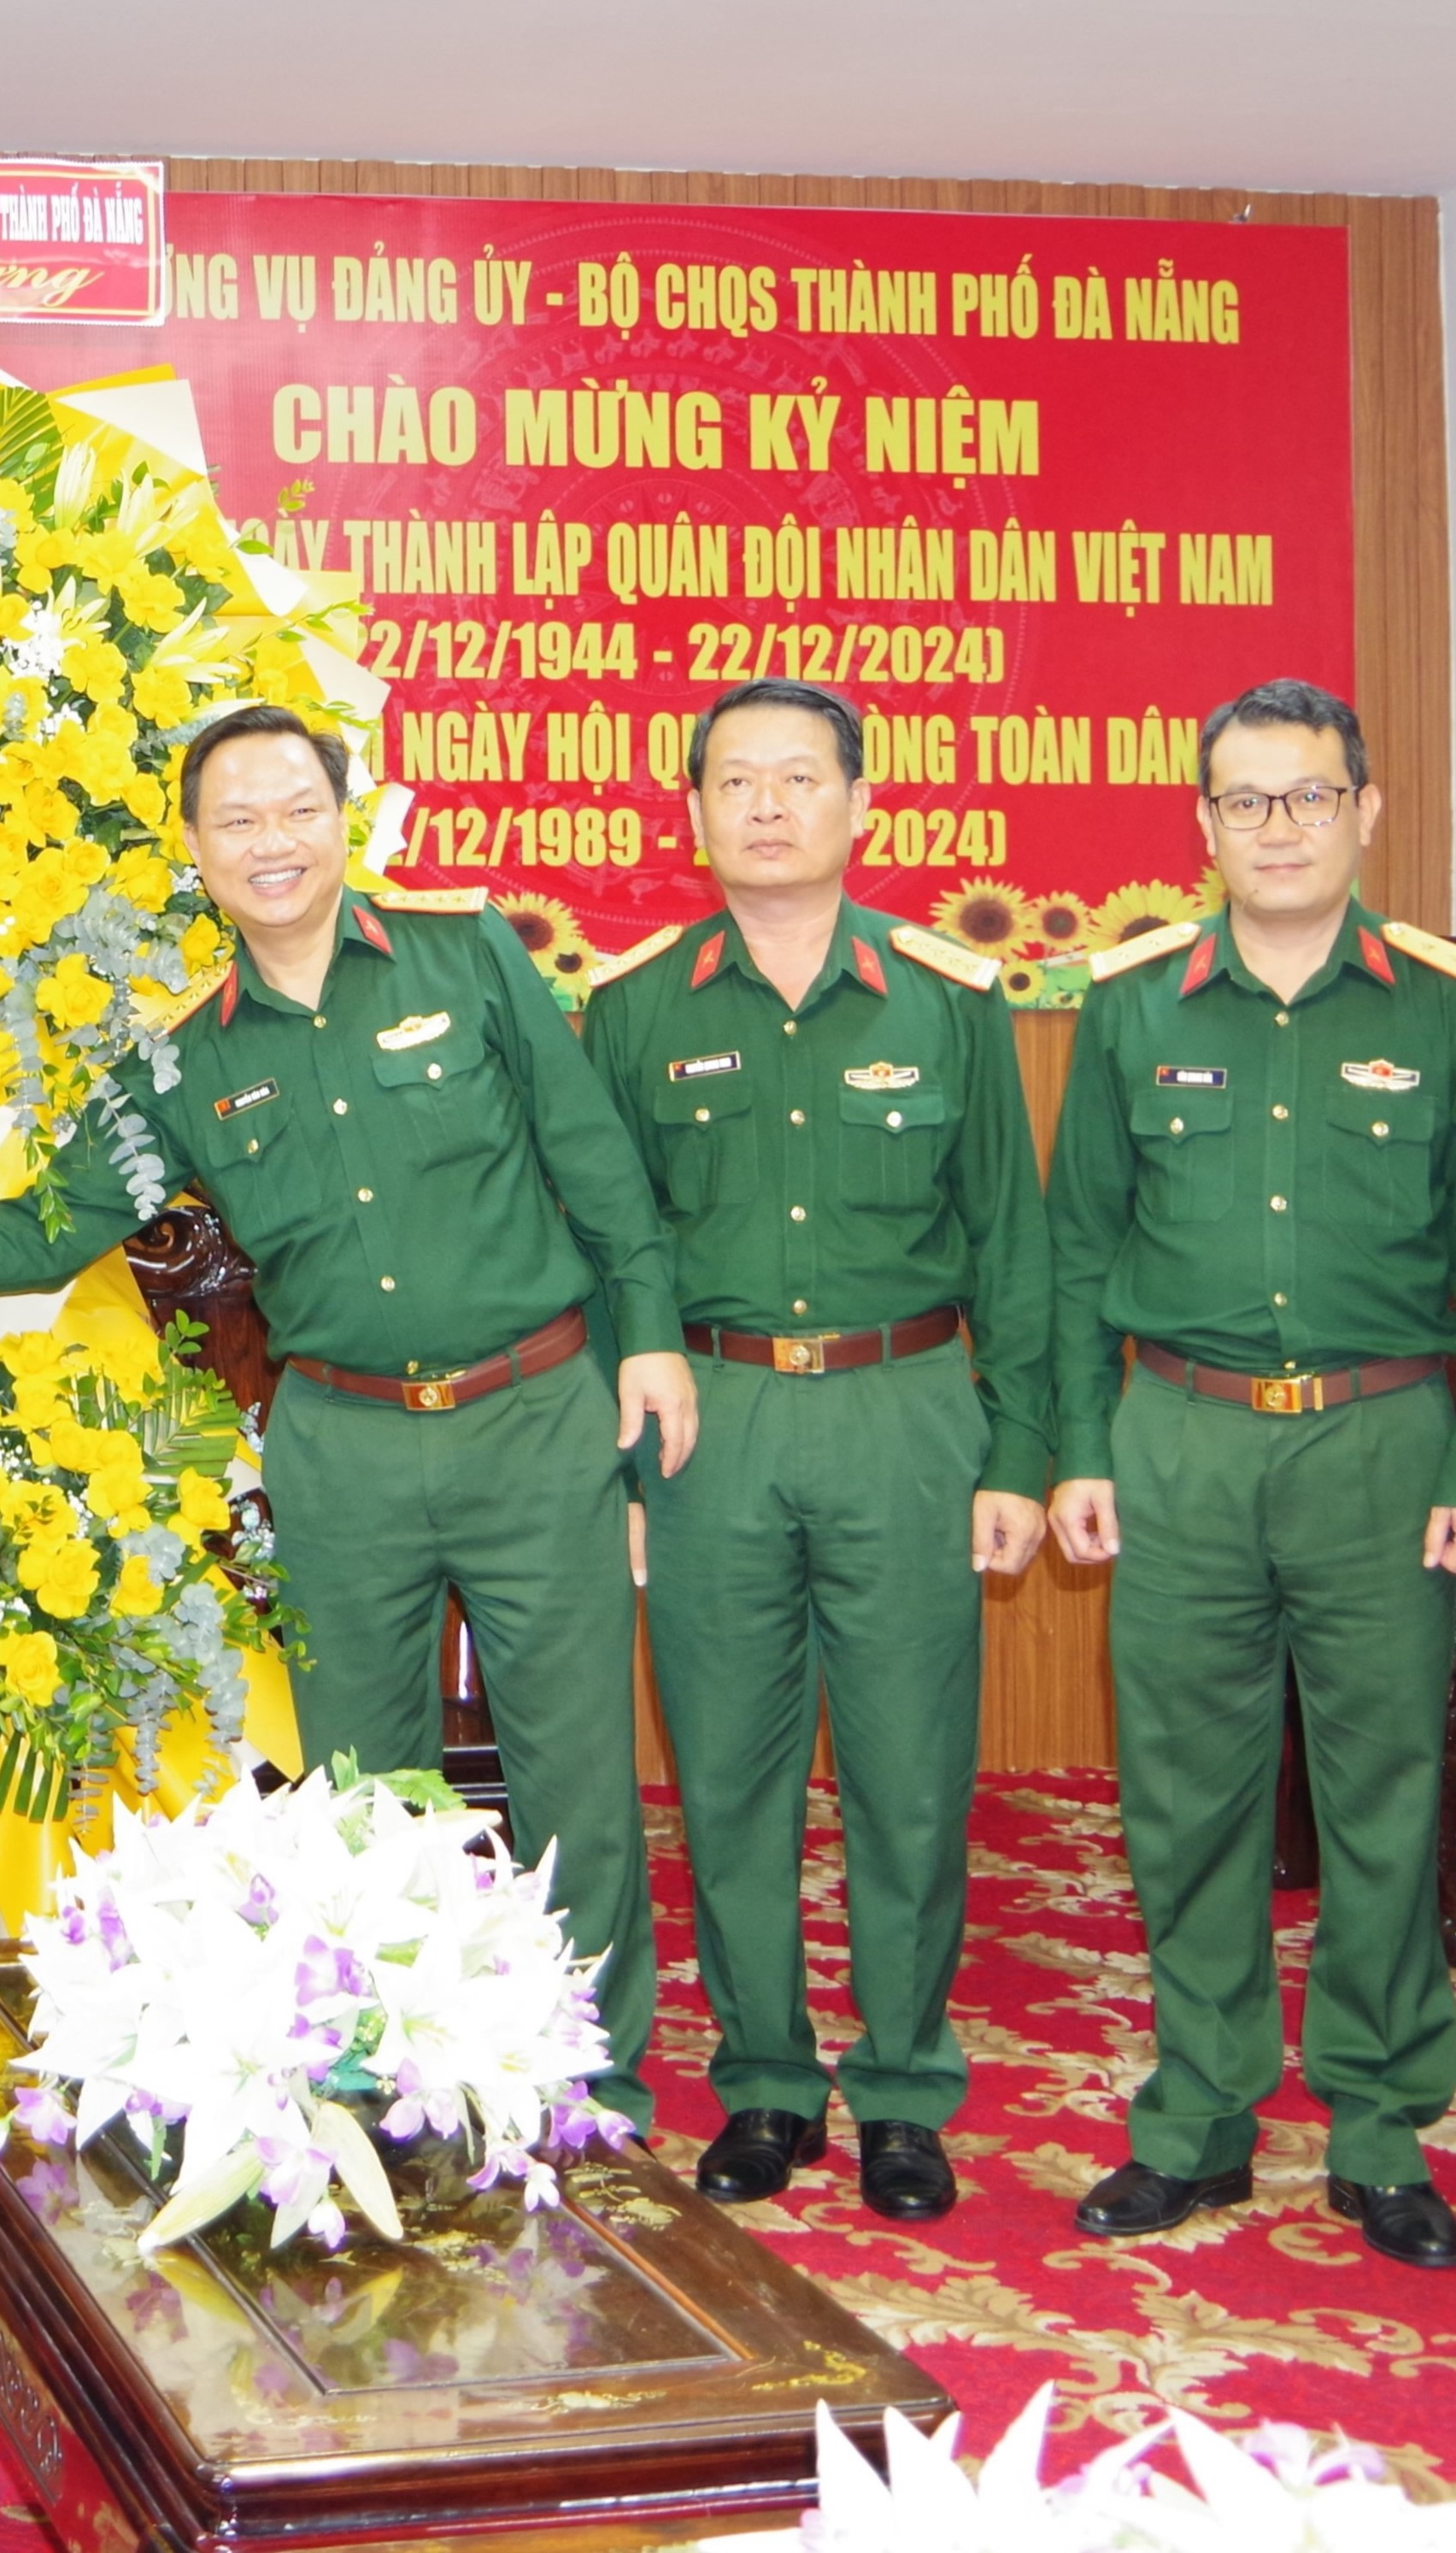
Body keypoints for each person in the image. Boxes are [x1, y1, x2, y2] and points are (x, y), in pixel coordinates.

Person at [0, 702, 697, 2121]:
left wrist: (650, 1338)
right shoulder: (176, 1063)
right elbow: (52, 1227)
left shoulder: (465, 952)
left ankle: (585, 2085)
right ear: (193, 851)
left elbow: (593, 1161)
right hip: (339, 1444)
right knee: (362, 1799)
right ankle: (397, 2075)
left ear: (343, 816)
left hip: (533, 1416)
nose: (269, 842)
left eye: (295, 808)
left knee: (574, 1781)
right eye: (234, 820)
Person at [1044, 679, 1456, 2270]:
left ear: (1363, 810)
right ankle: (1195, 2114)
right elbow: (1074, 1257)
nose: (1277, 828)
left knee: (1382, 1788)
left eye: (1307, 797)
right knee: (1184, 1795)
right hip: (1179, 1438)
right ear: (1201, 826)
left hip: (1380, 1442)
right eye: (1245, 802)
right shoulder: (1133, 1004)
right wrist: (1075, 1446)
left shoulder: (1449, 1007)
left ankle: (1381, 2121)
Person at [581, 677, 1048, 2221]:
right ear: (694, 812)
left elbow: (1012, 1247)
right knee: (727, 1773)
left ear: (863, 809)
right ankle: (769, 2083)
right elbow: (605, 1242)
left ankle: (906, 2088)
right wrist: (622, 1465)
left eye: (799, 778)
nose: (767, 804)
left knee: (911, 1776)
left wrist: (1018, 1455)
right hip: (709, 1420)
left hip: (904, 1410)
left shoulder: (945, 999)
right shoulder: (634, 1006)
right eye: (735, 780)